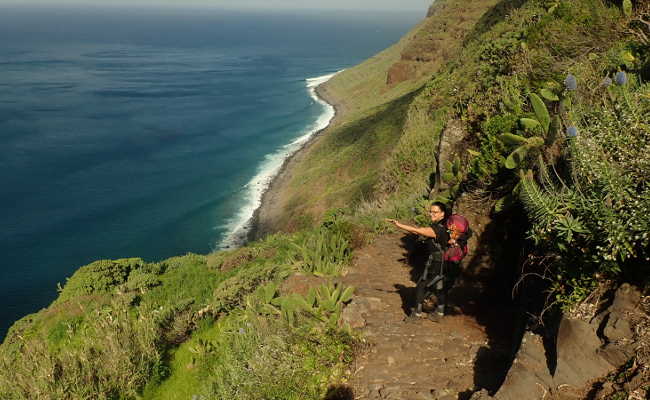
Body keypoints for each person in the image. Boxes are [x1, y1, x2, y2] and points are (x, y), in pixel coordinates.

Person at [386, 202, 467, 322]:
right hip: (444, 262)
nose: (431, 214)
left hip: (435, 263)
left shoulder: (437, 229)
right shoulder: (445, 227)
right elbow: (419, 231)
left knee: (421, 286)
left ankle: (416, 315)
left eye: (435, 212)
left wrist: (399, 225)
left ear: (442, 214)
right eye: (431, 211)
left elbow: (418, 230)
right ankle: (439, 313)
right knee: (439, 287)